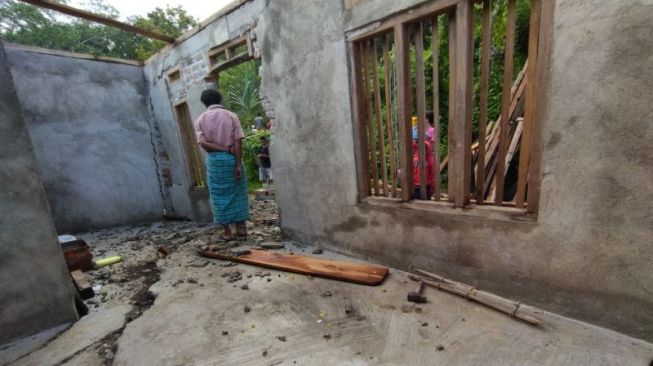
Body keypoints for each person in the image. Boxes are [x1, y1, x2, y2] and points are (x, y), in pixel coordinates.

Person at [194, 89, 249, 241]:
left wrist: (222, 149)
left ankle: (227, 232)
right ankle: (241, 228)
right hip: (232, 158)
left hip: (215, 162)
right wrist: (238, 163)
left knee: (218, 195)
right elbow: (238, 141)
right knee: (238, 192)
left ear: (204, 103)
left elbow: (204, 143)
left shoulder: (200, 120)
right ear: (220, 99)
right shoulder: (231, 116)